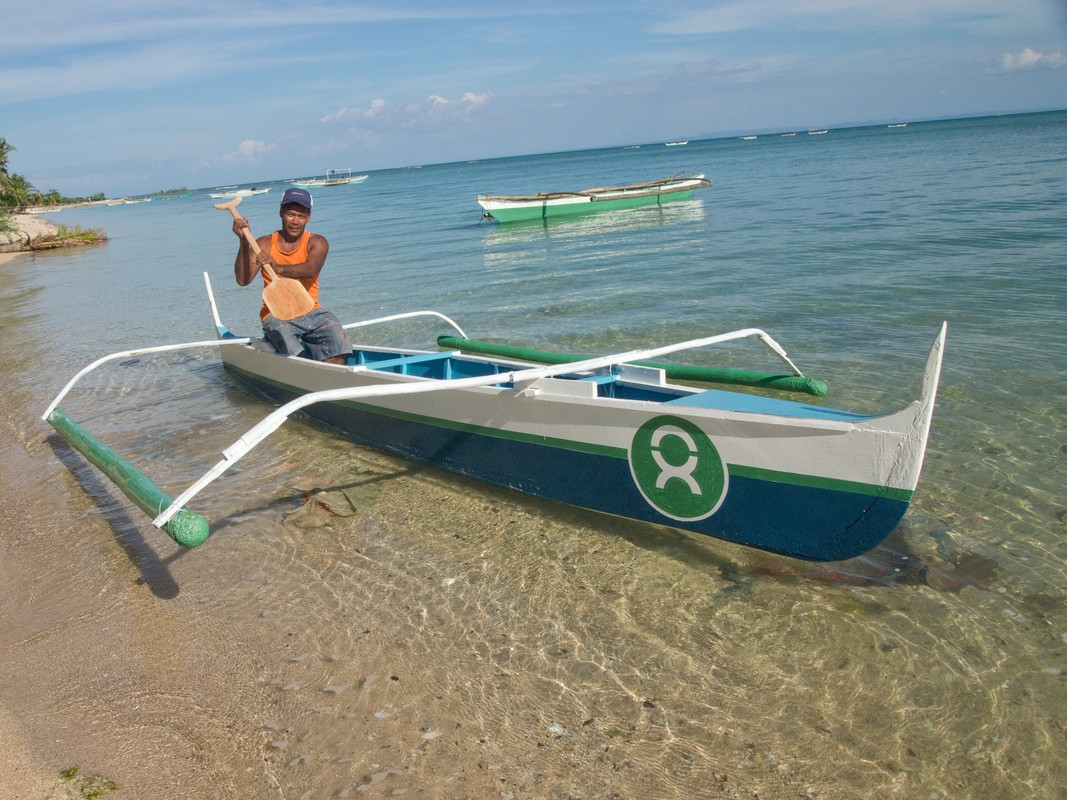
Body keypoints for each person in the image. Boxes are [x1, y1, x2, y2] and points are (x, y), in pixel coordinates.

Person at [232, 187, 351, 364]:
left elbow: (310, 269)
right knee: (288, 345)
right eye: (291, 214)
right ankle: (302, 369)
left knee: (337, 337)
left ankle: (328, 378)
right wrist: (243, 241)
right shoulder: (264, 244)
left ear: (308, 217)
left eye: (301, 216)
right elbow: (242, 280)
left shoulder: (317, 242)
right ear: (281, 212)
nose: (295, 221)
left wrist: (277, 267)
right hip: (276, 314)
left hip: (311, 310)